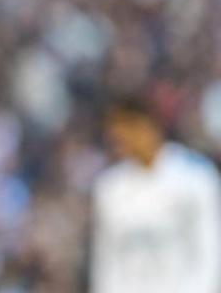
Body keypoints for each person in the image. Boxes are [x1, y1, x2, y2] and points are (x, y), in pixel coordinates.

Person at [91, 94, 221, 293]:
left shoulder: (196, 178)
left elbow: (210, 251)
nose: (118, 138)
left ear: (148, 124)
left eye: (126, 127)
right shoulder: (110, 188)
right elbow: (106, 260)